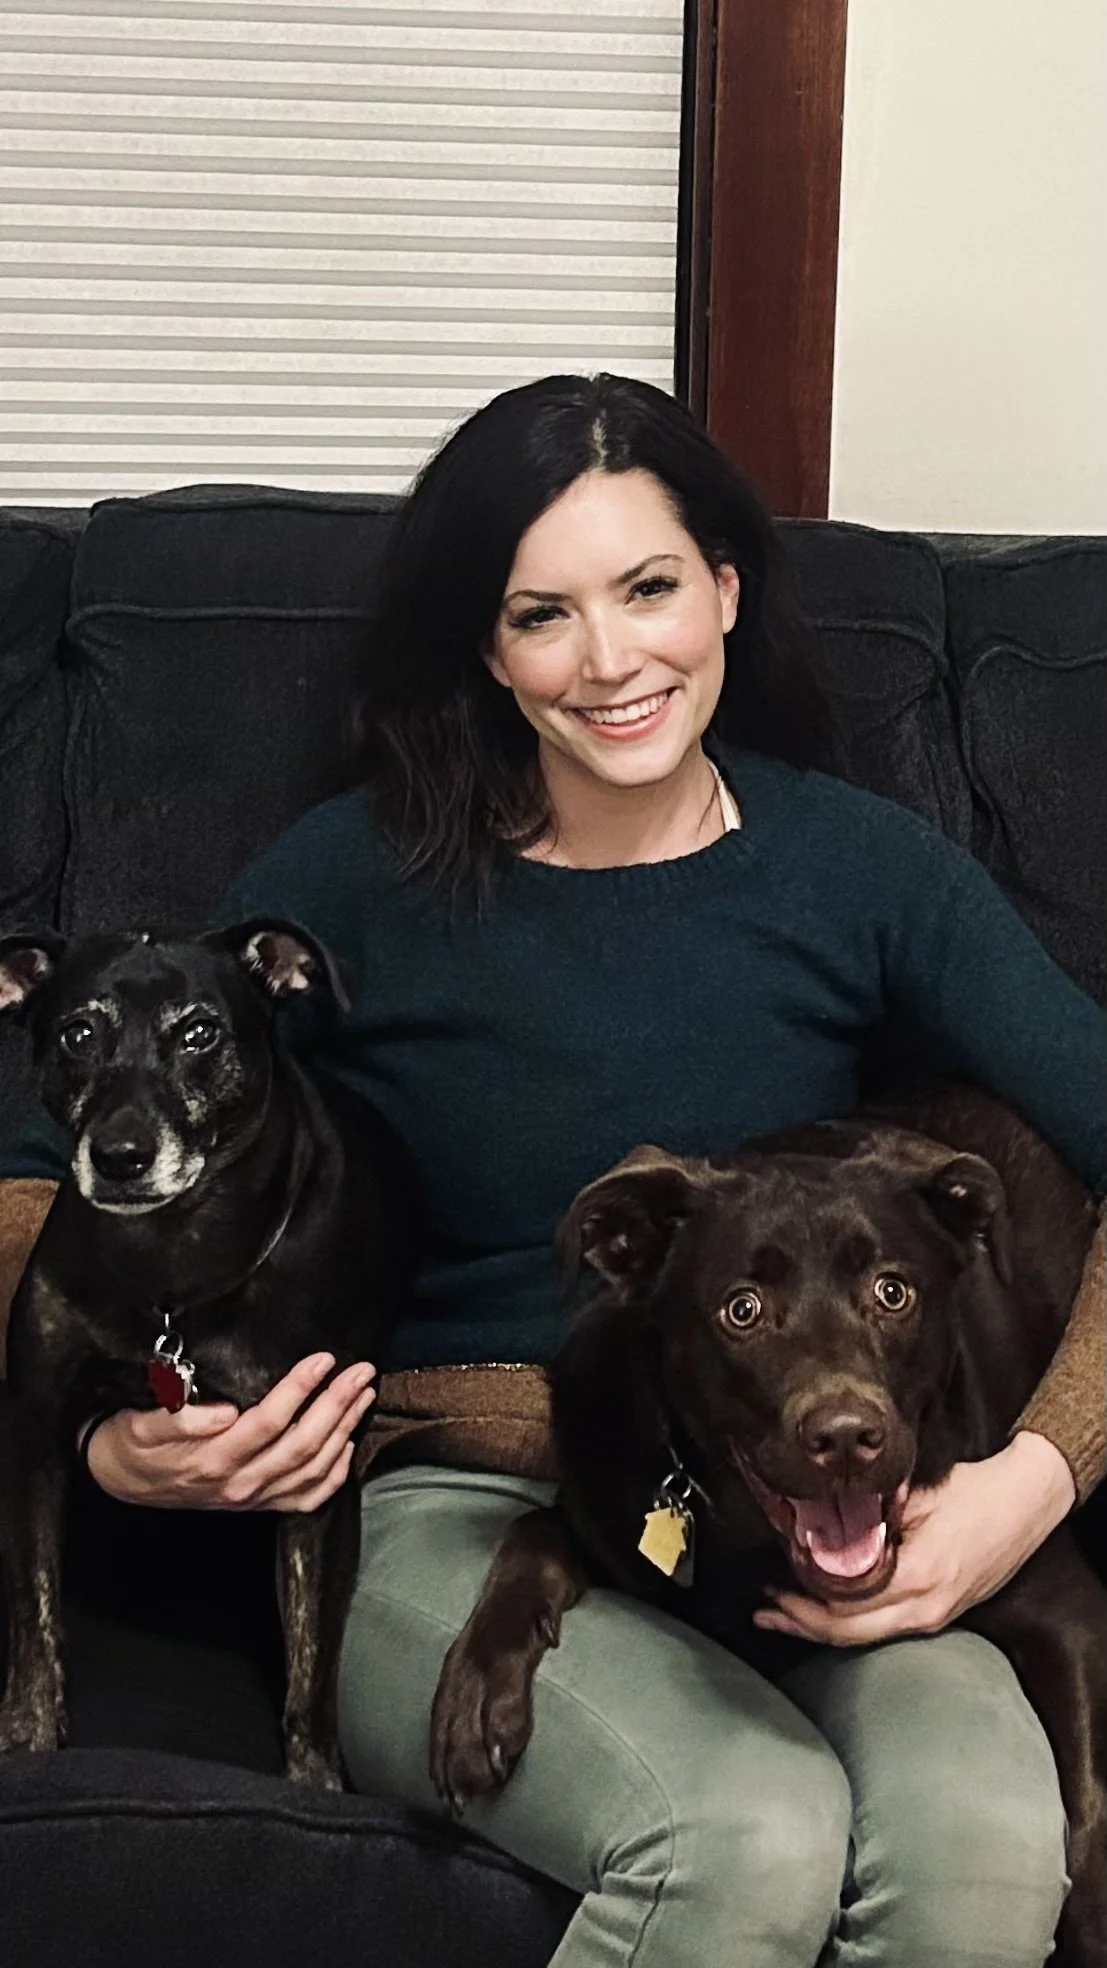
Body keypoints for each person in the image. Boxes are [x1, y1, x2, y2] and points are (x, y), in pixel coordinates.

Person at [4, 374, 1105, 1967]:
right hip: (454, 1500)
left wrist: (1034, 1476)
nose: (609, 662)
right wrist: (115, 1438)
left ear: (724, 588)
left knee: (991, 1854)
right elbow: (45, 1168)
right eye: (541, 614)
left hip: (776, 1491)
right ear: (482, 644)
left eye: (649, 589)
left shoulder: (858, 868)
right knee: (743, 1831)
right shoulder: (353, 875)